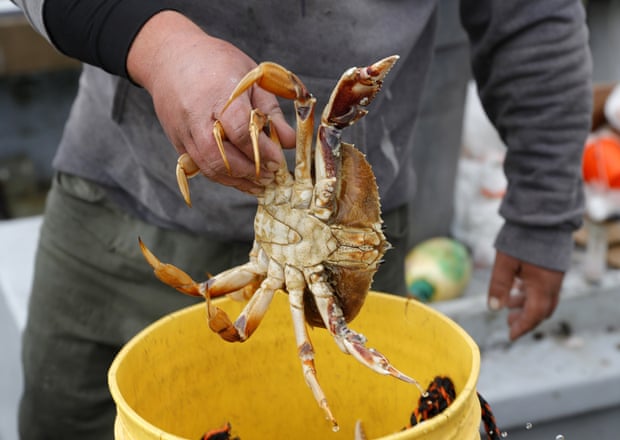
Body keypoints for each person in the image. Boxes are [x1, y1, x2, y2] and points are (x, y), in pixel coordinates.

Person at [13, 0, 592, 438]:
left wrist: (543, 211)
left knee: (351, 385)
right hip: (119, 199)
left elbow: (532, 12)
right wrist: (159, 45)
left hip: (348, 250)